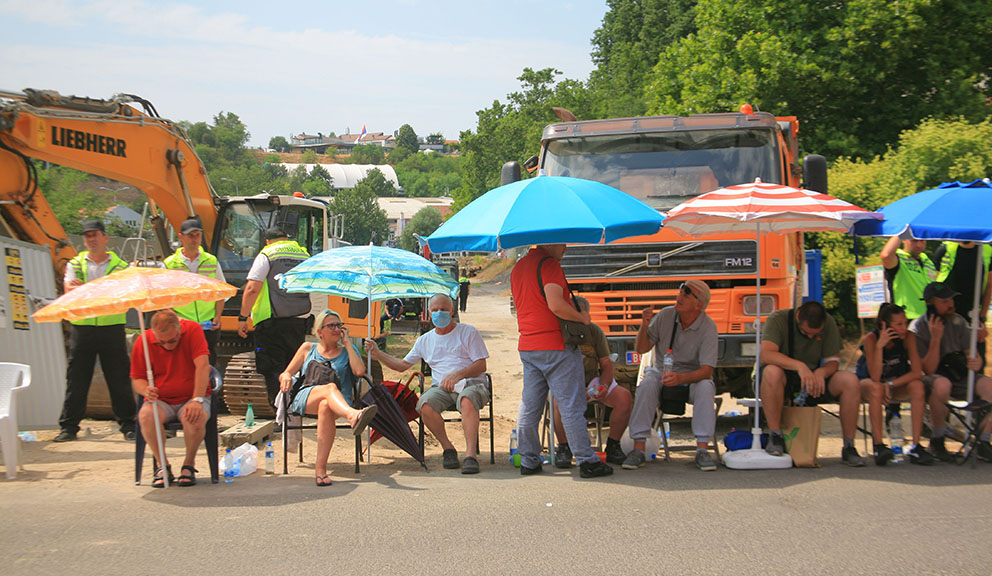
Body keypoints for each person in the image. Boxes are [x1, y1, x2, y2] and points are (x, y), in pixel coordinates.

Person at [509, 243, 613, 478]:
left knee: (530, 405)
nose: (565, 249)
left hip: (528, 344)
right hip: (555, 344)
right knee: (571, 406)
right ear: (551, 241)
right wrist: (582, 318)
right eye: (563, 244)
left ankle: (529, 460)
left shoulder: (518, 267)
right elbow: (555, 304)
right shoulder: (549, 264)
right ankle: (587, 460)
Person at [365, 293, 490, 474]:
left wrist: (459, 375)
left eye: (444, 310)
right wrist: (377, 353)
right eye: (435, 310)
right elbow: (401, 366)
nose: (440, 313)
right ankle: (448, 449)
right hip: (442, 388)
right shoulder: (425, 340)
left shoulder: (468, 332)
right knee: (424, 404)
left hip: (472, 384)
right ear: (428, 313)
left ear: (452, 311)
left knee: (467, 399)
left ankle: (471, 454)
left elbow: (481, 365)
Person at [622, 280, 719, 471]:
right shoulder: (666, 315)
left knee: (707, 386)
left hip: (690, 378)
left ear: (698, 304)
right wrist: (644, 324)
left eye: (687, 293)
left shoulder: (708, 327)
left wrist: (681, 378)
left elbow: (707, 370)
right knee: (647, 382)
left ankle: (702, 450)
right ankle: (638, 448)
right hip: (661, 373)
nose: (679, 295)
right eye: (681, 290)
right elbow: (642, 348)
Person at [54, 219, 137, 442]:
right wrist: (105, 291)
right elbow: (70, 293)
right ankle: (69, 428)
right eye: (87, 236)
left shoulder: (121, 266)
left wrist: (88, 290)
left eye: (95, 235)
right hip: (82, 327)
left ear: (105, 237)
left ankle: (129, 425)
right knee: (77, 378)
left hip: (112, 327)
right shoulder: (75, 264)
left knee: (119, 378)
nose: (91, 239)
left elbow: (125, 296)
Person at [279, 310, 377, 486]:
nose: (336, 329)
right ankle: (353, 415)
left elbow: (360, 372)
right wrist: (286, 376)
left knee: (325, 405)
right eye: (331, 326)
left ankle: (320, 470)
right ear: (319, 332)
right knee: (329, 389)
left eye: (339, 325)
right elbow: (286, 372)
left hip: (340, 400)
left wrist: (347, 344)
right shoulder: (307, 348)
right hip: (308, 395)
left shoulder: (347, 349)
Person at [760, 301, 865, 466]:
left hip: (814, 379)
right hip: (784, 376)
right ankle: (776, 436)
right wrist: (799, 366)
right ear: (797, 317)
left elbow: (833, 361)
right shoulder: (778, 319)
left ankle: (849, 446)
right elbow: (766, 355)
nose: (810, 337)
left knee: (850, 381)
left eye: (815, 334)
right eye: (805, 332)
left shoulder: (828, 322)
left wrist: (821, 372)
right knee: (771, 372)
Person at [910, 281, 992, 462]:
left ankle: (983, 440)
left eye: (951, 299)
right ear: (930, 304)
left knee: (989, 385)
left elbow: (973, 357)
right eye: (944, 301)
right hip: (933, 379)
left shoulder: (959, 321)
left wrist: (975, 362)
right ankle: (937, 439)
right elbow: (928, 369)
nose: (950, 304)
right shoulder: (918, 328)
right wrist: (936, 339)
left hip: (959, 376)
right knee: (942, 384)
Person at [131, 310, 211, 487]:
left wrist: (197, 399)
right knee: (145, 416)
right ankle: (162, 465)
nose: (168, 346)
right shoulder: (143, 341)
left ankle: (189, 464)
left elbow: (203, 366)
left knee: (194, 417)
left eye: (172, 341)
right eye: (162, 342)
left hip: (191, 396)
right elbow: (137, 379)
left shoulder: (193, 330)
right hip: (161, 400)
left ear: (179, 328)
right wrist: (146, 390)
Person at [552, 296, 631, 467]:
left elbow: (606, 365)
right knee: (558, 400)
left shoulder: (594, 331)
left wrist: (603, 386)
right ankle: (564, 447)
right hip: (566, 382)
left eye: (583, 312)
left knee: (624, 397)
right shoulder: (558, 331)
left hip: (593, 381)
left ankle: (613, 446)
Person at [238, 226, 312, 407]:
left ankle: (281, 413)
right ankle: (295, 410)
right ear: (287, 238)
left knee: (273, 368)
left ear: (268, 241)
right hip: (298, 320)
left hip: (272, 322)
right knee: (293, 367)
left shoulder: (267, 254)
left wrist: (242, 317)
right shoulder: (304, 255)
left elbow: (252, 288)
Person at [856, 303, 935, 465]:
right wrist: (880, 346)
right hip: (868, 384)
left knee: (917, 386)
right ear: (884, 325)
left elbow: (916, 372)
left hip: (893, 383)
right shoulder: (871, 339)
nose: (904, 327)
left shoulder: (908, 337)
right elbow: (875, 376)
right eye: (899, 324)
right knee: (877, 387)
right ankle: (878, 445)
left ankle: (915, 445)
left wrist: (890, 384)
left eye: (905, 323)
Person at [164, 217, 227, 366]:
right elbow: (162, 298)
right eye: (190, 235)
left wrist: (217, 316)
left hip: (207, 326)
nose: (194, 239)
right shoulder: (170, 264)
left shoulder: (211, 261)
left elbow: (221, 291)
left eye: (197, 235)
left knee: (207, 365)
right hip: (181, 325)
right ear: (181, 237)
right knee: (182, 365)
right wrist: (175, 319)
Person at [934, 241, 991, 365]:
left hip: (973, 316)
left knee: (976, 363)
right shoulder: (945, 250)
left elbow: (989, 288)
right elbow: (934, 284)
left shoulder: (987, 251)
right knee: (948, 362)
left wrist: (982, 318)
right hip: (947, 316)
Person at [881, 234, 936, 321]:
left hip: (928, 318)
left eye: (922, 240)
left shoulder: (928, 262)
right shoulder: (898, 259)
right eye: (914, 240)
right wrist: (902, 231)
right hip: (905, 319)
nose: (919, 245)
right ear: (904, 240)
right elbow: (886, 255)